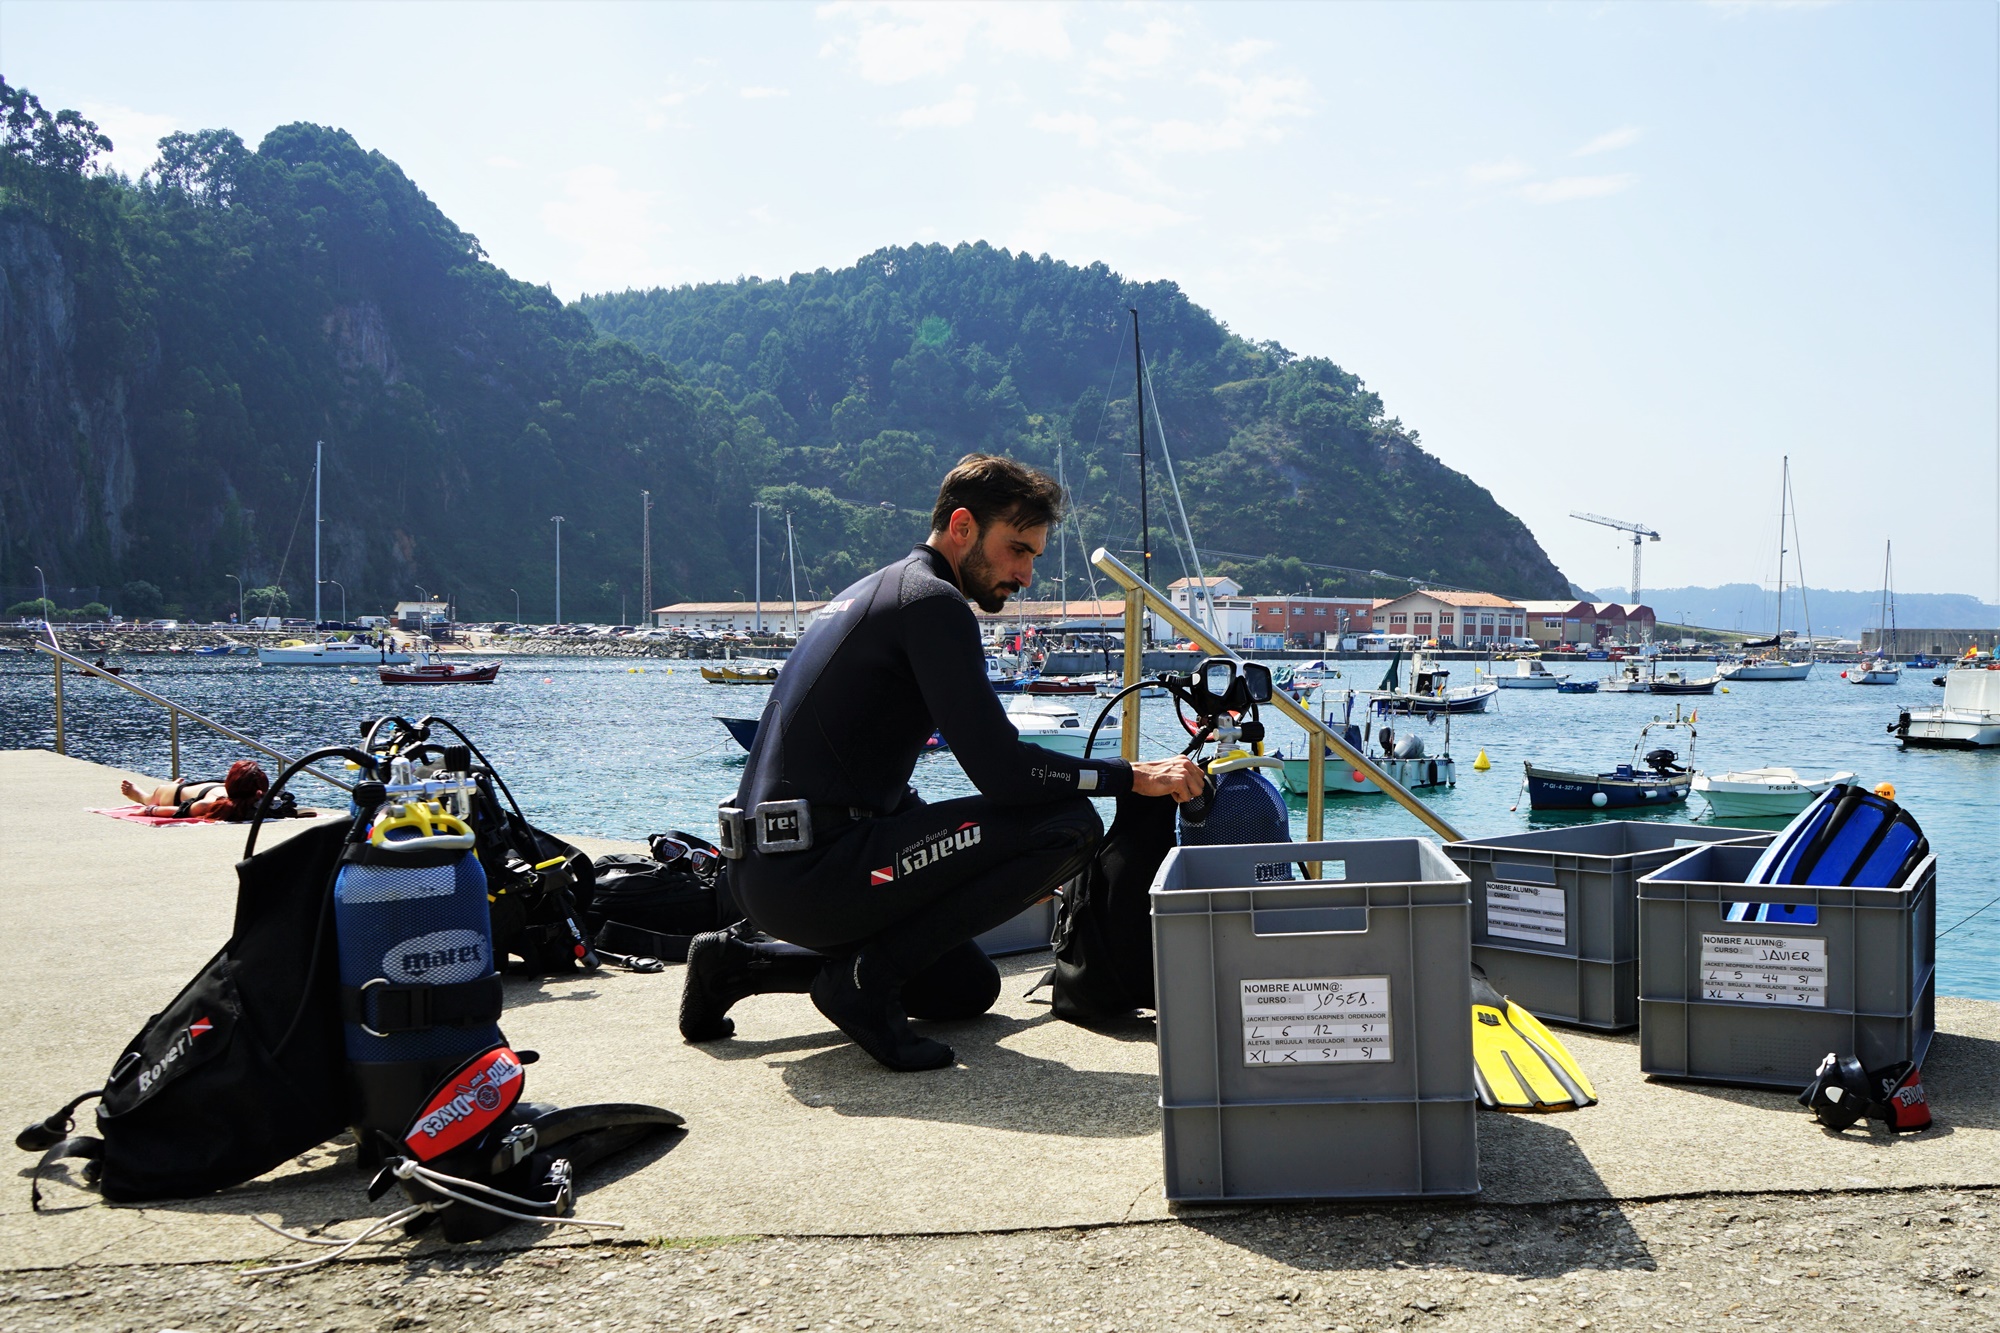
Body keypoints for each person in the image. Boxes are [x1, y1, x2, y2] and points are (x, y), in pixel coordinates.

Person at [680, 454, 1204, 1071]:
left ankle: (738, 964)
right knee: (1069, 826)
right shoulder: (931, 602)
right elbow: (1004, 773)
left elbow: (855, 766)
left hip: (766, 871)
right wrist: (1128, 777)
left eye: (1034, 556)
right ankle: (862, 981)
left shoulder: (873, 592)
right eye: (1017, 550)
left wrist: (948, 850)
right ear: (962, 527)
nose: (1026, 574)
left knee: (965, 989)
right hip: (813, 871)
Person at [120, 759, 269, 821]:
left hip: (210, 787)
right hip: (175, 794)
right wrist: (149, 810)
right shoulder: (210, 803)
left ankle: (175, 785)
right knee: (149, 799)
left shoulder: (259, 795)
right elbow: (177, 811)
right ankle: (140, 795)